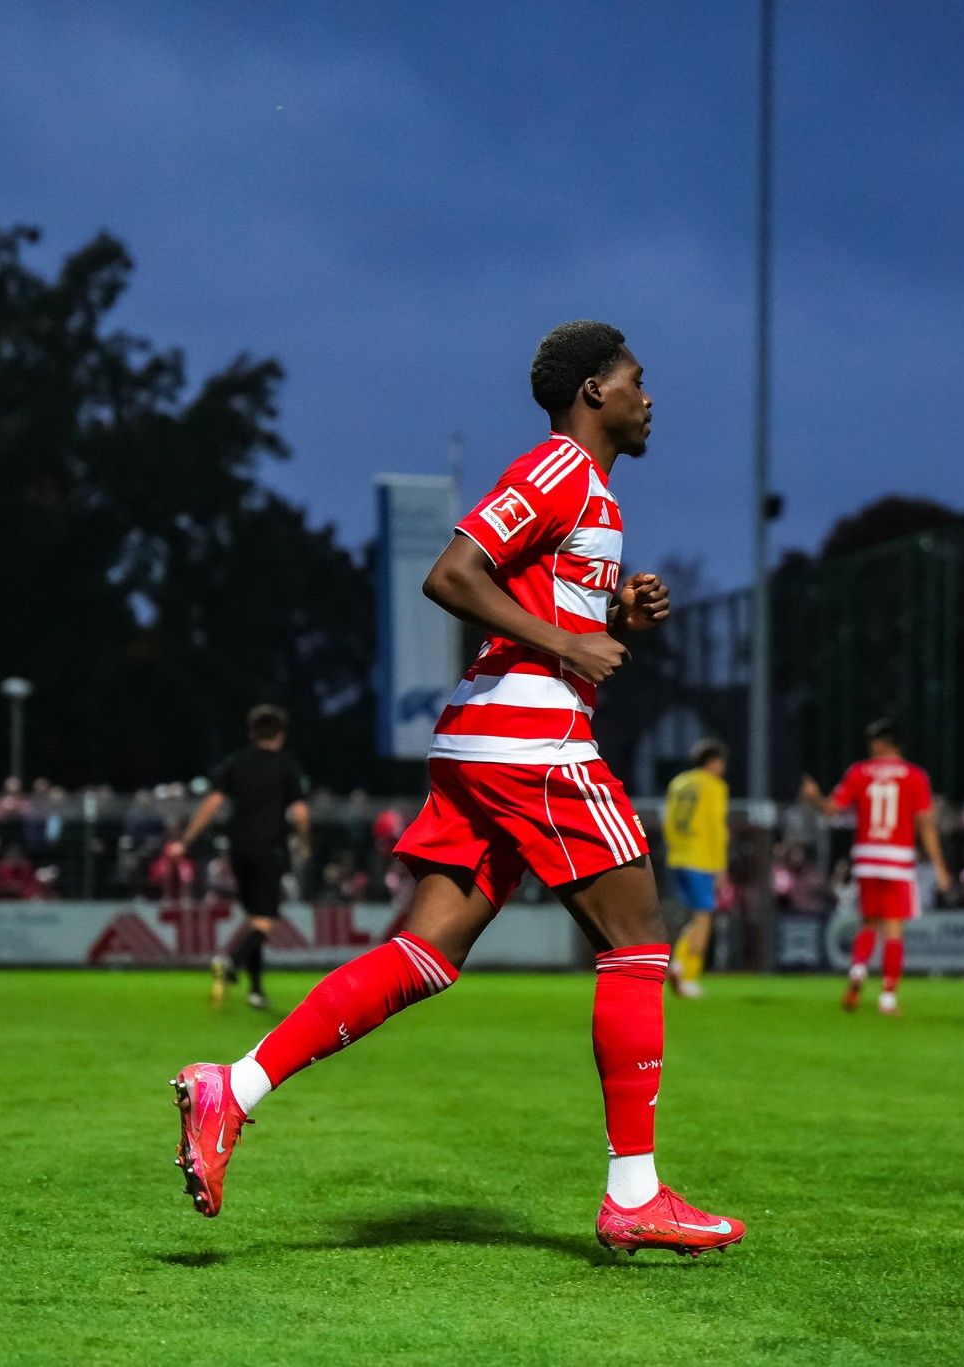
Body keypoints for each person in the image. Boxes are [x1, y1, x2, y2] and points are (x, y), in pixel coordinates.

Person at [167, 321, 743, 1256]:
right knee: (640, 939)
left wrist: (608, 613)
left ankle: (232, 1087)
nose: (651, 396)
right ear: (594, 391)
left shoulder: (590, 492)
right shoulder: (556, 469)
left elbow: (539, 607)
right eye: (639, 379)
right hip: (530, 738)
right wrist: (568, 642)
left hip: (485, 737)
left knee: (426, 952)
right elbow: (452, 573)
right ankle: (633, 1190)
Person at [799, 718, 953, 1015]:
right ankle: (887, 998)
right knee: (893, 929)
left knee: (869, 922)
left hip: (867, 857)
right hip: (897, 858)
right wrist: (940, 867)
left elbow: (831, 809)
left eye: (873, 742)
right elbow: (925, 824)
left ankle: (857, 971)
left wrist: (815, 797)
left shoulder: (859, 772)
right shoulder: (915, 776)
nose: (870, 747)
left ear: (883, 743)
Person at [179, 705, 312, 1010]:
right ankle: (230, 961)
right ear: (281, 735)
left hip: (238, 850)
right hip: (270, 849)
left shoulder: (235, 764)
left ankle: (255, 989)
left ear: (253, 733)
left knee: (254, 918)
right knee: (266, 921)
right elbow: (301, 812)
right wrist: (304, 843)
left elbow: (212, 804)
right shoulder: (286, 766)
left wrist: (186, 840)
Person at [662, 738, 730, 998]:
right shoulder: (713, 786)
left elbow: (668, 821)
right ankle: (686, 973)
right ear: (713, 762)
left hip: (677, 856)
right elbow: (716, 828)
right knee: (704, 919)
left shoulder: (678, 783)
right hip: (701, 858)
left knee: (693, 918)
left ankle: (678, 964)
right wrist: (721, 868)